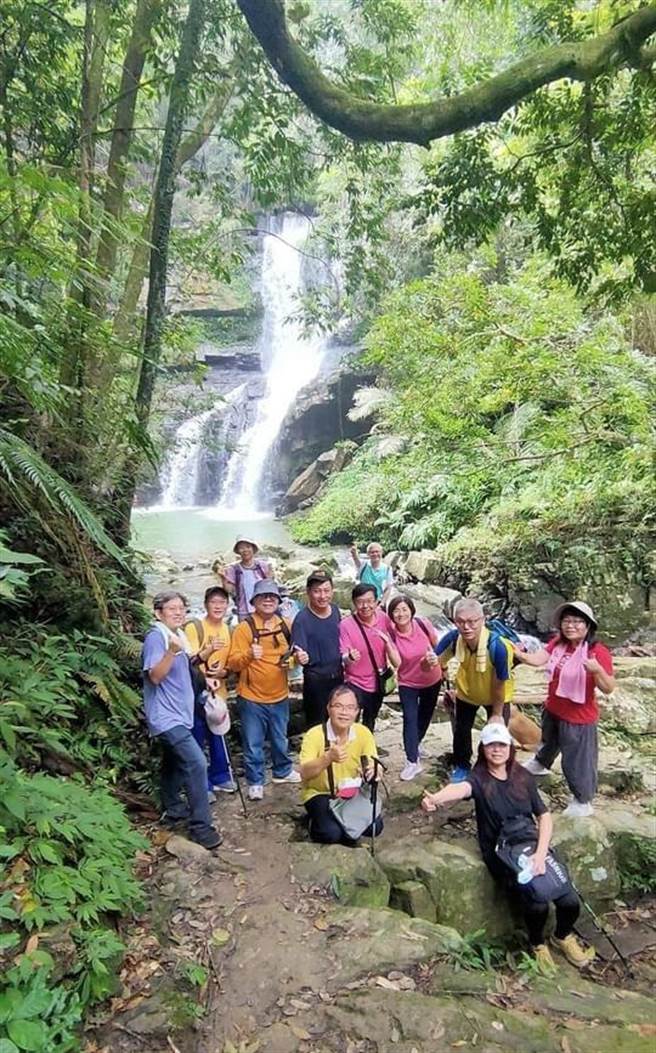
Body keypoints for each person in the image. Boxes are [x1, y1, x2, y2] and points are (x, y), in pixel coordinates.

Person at [422, 722, 594, 970]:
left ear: (510, 748)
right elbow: (460, 789)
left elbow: (544, 816)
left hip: (530, 844)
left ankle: (562, 936)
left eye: (501, 745)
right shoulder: (478, 779)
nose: (497, 750)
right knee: (537, 902)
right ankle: (537, 944)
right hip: (501, 851)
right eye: (491, 745)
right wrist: (436, 799)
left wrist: (540, 854)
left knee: (569, 900)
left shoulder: (522, 776)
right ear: (483, 749)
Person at [515, 601, 615, 818]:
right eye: (566, 621)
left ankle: (583, 800)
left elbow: (608, 688)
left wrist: (597, 670)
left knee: (577, 761)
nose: (570, 626)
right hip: (554, 707)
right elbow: (539, 659)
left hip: (578, 717)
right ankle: (541, 763)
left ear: (588, 626)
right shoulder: (558, 643)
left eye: (577, 622)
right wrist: (520, 655)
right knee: (549, 741)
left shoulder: (597, 652)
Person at [142, 591, 222, 849]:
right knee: (196, 763)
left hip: (180, 714)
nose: (178, 612)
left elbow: (186, 666)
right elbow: (155, 676)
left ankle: (174, 810)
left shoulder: (177, 634)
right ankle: (201, 828)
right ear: (158, 613)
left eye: (181, 608)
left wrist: (205, 675)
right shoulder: (157, 637)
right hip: (166, 718)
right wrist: (170, 652)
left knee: (173, 763)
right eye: (172, 608)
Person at [226, 578, 301, 801]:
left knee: (280, 738)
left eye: (272, 597)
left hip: (280, 694)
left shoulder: (286, 625)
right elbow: (233, 663)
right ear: (254, 601)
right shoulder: (244, 628)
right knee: (253, 742)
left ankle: (282, 771)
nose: (268, 600)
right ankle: (255, 781)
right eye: (263, 597)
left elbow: (293, 656)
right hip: (251, 697)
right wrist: (249, 655)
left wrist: (294, 661)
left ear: (278, 601)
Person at [435, 598, 514, 783]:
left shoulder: (498, 647)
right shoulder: (454, 639)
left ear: (483, 620)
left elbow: (500, 683)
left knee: (497, 732)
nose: (466, 627)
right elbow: (435, 660)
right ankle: (462, 765)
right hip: (467, 692)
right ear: (455, 621)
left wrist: (497, 714)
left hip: (497, 696)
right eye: (461, 622)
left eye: (472, 621)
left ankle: (491, 769)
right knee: (462, 731)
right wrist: (434, 665)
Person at [299, 684, 383, 845]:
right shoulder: (314, 735)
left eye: (350, 707)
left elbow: (374, 763)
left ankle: (340, 824)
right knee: (331, 834)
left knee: (375, 827)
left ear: (357, 711)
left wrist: (374, 771)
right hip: (321, 793)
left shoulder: (363, 733)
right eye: (338, 706)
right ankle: (312, 823)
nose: (344, 712)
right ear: (328, 708)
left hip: (352, 792)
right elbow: (304, 772)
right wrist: (328, 758)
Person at [184, 586, 237, 796]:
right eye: (214, 602)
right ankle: (202, 786)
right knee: (197, 737)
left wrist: (224, 672)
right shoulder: (194, 627)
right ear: (206, 604)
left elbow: (232, 663)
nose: (218, 606)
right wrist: (209, 654)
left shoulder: (229, 630)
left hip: (218, 693)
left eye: (222, 602)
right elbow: (189, 661)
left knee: (219, 735)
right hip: (196, 694)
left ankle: (221, 776)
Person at [388, 595, 442, 781]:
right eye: (396, 610)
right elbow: (396, 662)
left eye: (404, 609)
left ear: (411, 610)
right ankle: (412, 761)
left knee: (425, 716)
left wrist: (441, 664)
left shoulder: (423, 624)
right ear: (391, 614)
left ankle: (415, 744)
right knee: (410, 718)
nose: (401, 614)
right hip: (408, 683)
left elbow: (437, 647)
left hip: (432, 679)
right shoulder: (391, 635)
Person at [339, 583, 400, 732]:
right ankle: (348, 745)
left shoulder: (383, 618)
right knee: (350, 720)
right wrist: (350, 657)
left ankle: (366, 745)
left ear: (376, 601)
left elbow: (396, 638)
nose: (365, 606)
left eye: (369, 601)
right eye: (360, 602)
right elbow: (343, 657)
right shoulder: (346, 625)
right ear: (354, 603)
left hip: (378, 681)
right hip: (355, 682)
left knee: (370, 720)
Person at [291, 570, 343, 730]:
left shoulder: (335, 611)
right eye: (317, 591)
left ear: (332, 591)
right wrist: (300, 656)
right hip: (316, 681)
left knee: (340, 722)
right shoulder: (301, 619)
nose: (322, 596)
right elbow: (298, 650)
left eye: (326, 591)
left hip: (338, 676)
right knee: (317, 727)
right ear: (308, 592)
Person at [221, 536, 272, 621]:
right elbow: (230, 590)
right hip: (244, 611)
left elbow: (270, 586)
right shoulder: (234, 569)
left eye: (248, 547)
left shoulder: (262, 566)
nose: (245, 550)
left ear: (253, 549)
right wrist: (223, 578)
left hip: (264, 609)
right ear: (238, 551)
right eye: (241, 548)